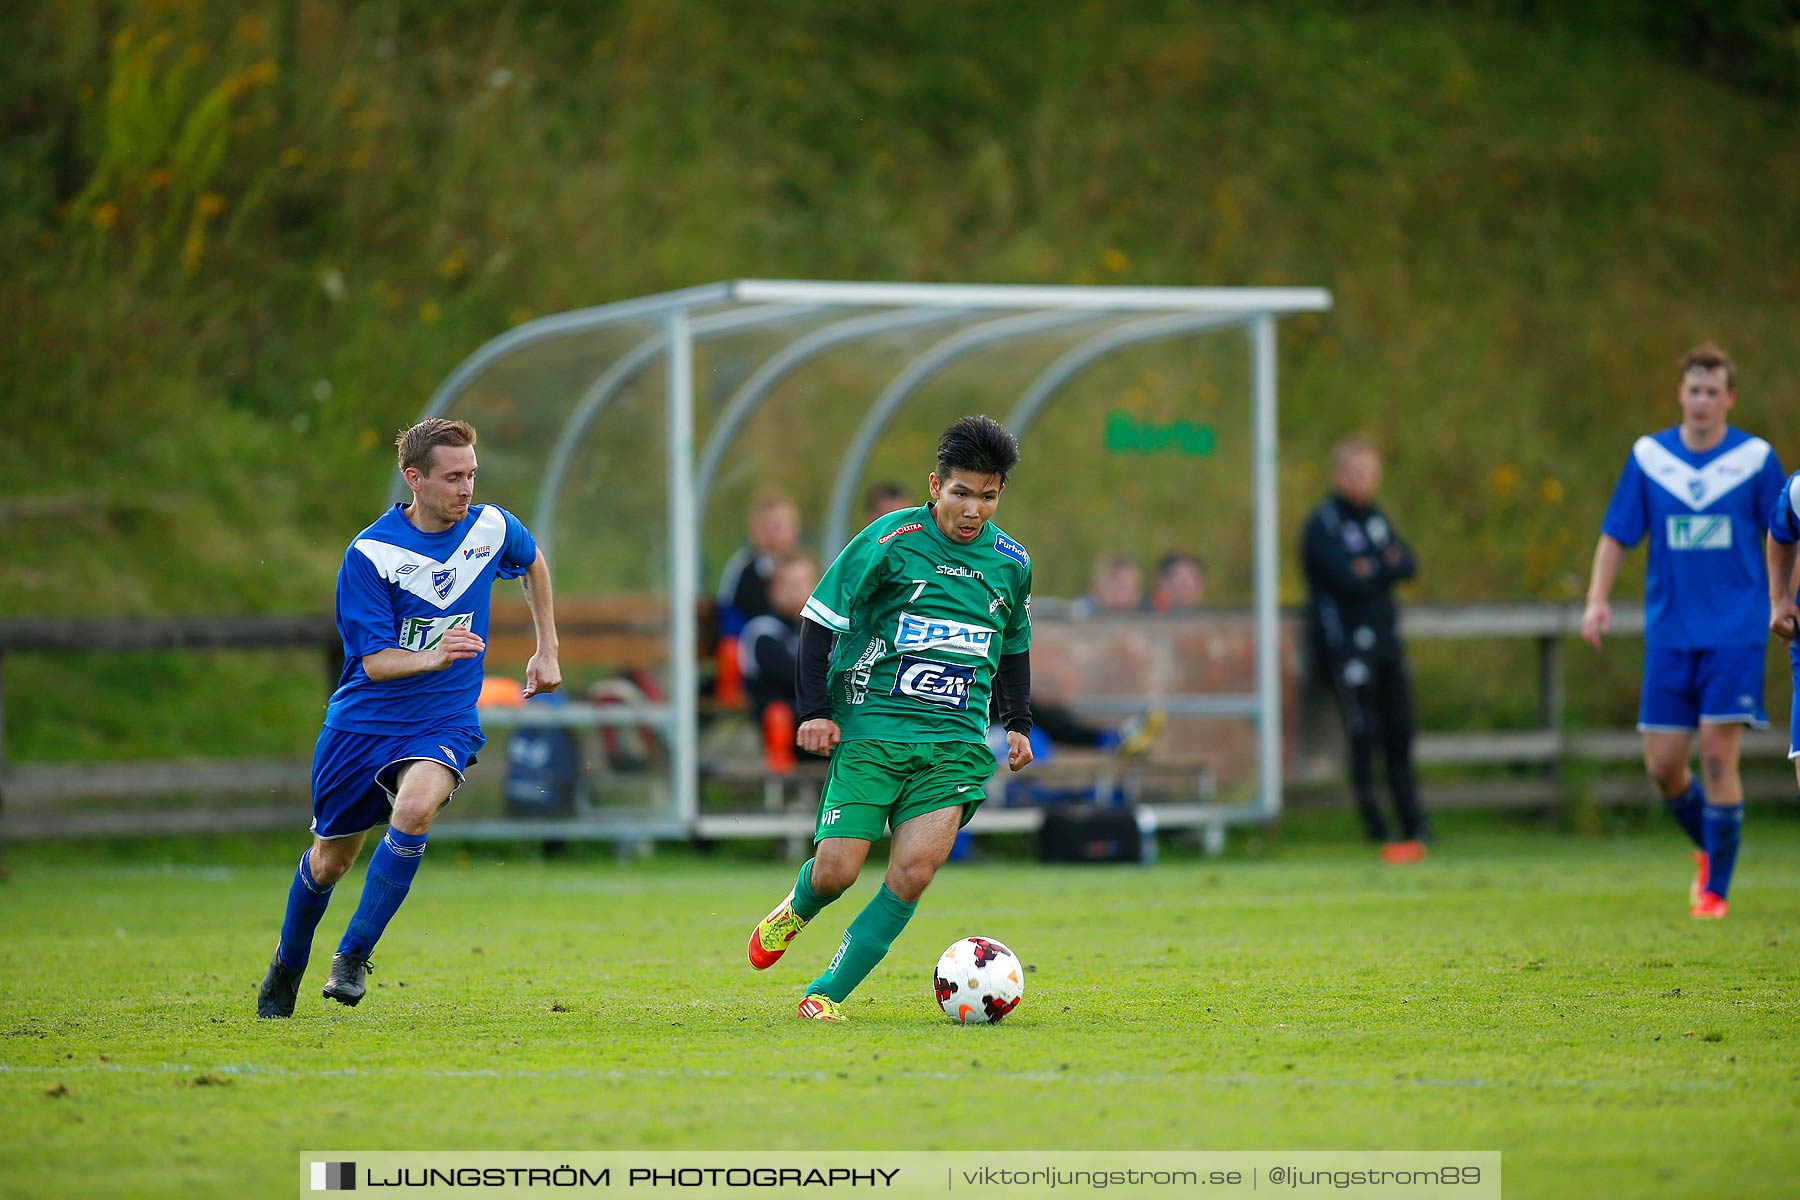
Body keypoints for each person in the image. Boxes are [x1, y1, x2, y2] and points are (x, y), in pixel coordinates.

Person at [256, 418, 560, 1017]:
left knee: (416, 808)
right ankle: (288, 963)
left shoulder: (492, 527)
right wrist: (436, 653)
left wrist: (546, 647)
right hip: (362, 725)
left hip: (443, 719)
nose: (466, 488)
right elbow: (373, 663)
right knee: (331, 861)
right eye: (453, 478)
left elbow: (532, 562)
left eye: (472, 474)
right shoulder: (372, 554)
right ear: (414, 478)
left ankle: (351, 957)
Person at [744, 415, 1035, 1022]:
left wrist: (1018, 723)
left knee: (914, 871)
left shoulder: (1011, 563)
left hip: (952, 746)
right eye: (960, 493)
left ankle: (825, 993)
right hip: (874, 733)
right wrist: (816, 712)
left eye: (987, 496)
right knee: (837, 872)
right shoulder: (887, 541)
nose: (972, 510)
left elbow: (1012, 646)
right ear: (935, 486)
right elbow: (820, 620)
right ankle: (797, 907)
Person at [1582, 343, 1784, 919]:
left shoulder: (1753, 460)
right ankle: (1710, 848)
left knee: (1719, 757)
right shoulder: (1651, 459)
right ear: (1680, 394)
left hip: (1735, 631)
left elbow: (1783, 534)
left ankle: (1716, 891)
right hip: (1670, 633)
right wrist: (1597, 599)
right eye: (1693, 390)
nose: (1701, 401)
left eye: (1712, 391)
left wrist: (1782, 597)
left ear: (1729, 399)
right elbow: (1618, 532)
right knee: (1664, 766)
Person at [1302, 436, 1425, 862]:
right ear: (1338, 474)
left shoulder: (1376, 519)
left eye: (1369, 473)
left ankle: (1415, 824)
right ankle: (1376, 825)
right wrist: (1379, 566)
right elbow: (1345, 577)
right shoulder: (1324, 523)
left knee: (1400, 734)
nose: (1362, 481)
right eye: (1354, 472)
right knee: (1363, 736)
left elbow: (1406, 563)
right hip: (1346, 647)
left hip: (1387, 644)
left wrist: (1372, 567)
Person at [737, 553, 821, 730]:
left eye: (801, 584)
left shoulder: (824, 630)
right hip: (783, 726)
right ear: (772, 591)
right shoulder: (763, 630)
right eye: (788, 586)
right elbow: (791, 676)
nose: (795, 593)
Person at [714, 490, 802, 638]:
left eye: (785, 526)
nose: (777, 533)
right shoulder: (748, 566)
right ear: (755, 531)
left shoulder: (799, 565)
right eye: (773, 527)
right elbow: (730, 608)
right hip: (746, 637)